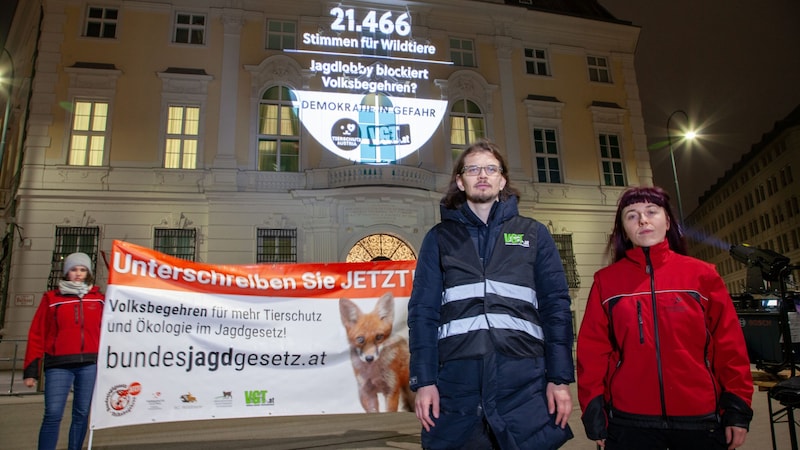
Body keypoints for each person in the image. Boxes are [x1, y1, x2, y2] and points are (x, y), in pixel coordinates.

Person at [408, 140, 575, 450]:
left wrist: (559, 379)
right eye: (472, 169)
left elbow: (556, 309)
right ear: (460, 181)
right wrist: (424, 381)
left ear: (503, 180)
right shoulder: (439, 239)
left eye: (490, 169)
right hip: (458, 384)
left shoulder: (534, 234)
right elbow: (422, 314)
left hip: (524, 382)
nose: (481, 175)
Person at [576, 186, 753, 450]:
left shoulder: (702, 275)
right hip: (630, 421)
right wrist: (594, 413)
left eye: (651, 212)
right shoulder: (606, 282)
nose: (643, 220)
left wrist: (737, 409)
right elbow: (593, 352)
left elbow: (730, 346)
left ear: (667, 221)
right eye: (632, 215)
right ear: (624, 229)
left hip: (700, 418)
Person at [23, 252, 105, 450]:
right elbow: (37, 333)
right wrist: (31, 371)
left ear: (89, 273)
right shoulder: (52, 299)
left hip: (89, 364)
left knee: (82, 413)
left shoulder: (99, 299)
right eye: (74, 269)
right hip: (58, 365)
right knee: (53, 413)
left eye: (83, 270)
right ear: (66, 272)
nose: (78, 274)